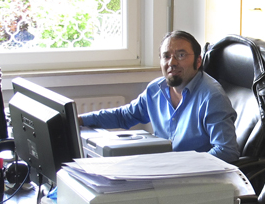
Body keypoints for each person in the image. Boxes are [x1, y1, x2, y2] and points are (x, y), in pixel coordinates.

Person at [79, 30, 239, 163]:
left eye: (181, 55)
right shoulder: (155, 90)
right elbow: (124, 116)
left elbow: (226, 150)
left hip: (196, 177)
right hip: (163, 169)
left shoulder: (212, 97)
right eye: (166, 56)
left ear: (198, 61)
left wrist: (183, 166)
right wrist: (80, 120)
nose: (172, 62)